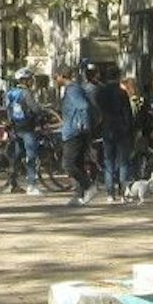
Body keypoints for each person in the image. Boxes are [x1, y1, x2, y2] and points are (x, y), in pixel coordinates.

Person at [90, 64, 133, 202]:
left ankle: (110, 192)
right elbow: (127, 113)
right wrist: (129, 127)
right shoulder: (122, 93)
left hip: (107, 128)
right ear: (118, 76)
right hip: (121, 128)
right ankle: (123, 191)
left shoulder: (100, 93)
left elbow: (97, 111)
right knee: (123, 161)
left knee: (109, 161)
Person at [55, 66, 98, 206]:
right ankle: (80, 196)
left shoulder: (73, 89)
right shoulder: (72, 89)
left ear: (62, 76)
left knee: (68, 164)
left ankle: (88, 186)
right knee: (78, 163)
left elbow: (84, 106)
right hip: (73, 130)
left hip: (74, 132)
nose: (55, 80)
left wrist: (83, 125)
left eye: (56, 77)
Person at [3, 68, 44, 194]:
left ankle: (12, 184)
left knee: (17, 156)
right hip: (27, 128)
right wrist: (41, 111)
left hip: (16, 129)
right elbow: (35, 109)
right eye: (30, 79)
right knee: (31, 156)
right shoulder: (26, 93)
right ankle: (31, 185)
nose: (32, 81)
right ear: (25, 80)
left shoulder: (10, 93)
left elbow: (9, 110)